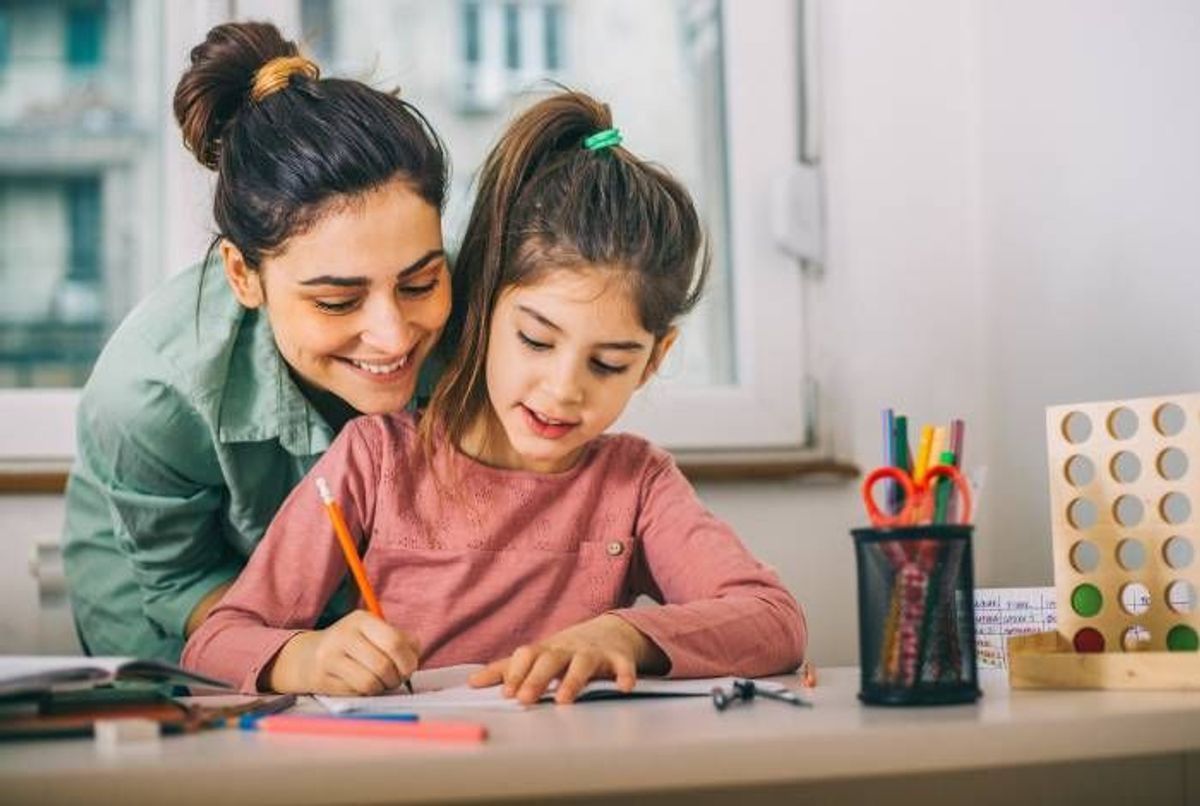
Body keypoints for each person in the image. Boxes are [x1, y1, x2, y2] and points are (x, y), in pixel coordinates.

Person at [183, 91, 807, 704]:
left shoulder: (636, 485)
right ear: (483, 307)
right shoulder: (377, 460)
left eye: (609, 362)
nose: (564, 390)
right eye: (536, 341)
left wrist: (622, 634)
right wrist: (305, 657)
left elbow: (775, 621)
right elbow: (215, 641)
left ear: (654, 361)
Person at [62, 21, 452, 662]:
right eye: (336, 300)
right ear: (244, 275)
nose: (392, 335)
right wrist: (298, 655)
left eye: (419, 283)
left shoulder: (485, 318)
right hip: (172, 599)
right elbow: (180, 580)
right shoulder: (149, 392)